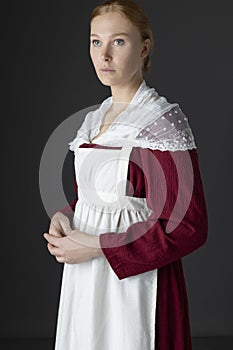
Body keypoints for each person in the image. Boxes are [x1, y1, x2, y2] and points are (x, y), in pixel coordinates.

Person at [43, 1, 208, 349]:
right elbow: (98, 198)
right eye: (95, 41)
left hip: (134, 285)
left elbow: (189, 227)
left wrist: (98, 247)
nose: (104, 55)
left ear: (144, 47)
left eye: (118, 41)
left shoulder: (160, 123)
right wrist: (66, 215)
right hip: (85, 282)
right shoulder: (94, 120)